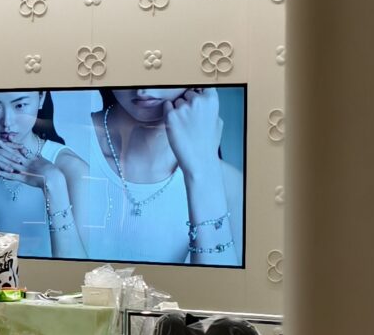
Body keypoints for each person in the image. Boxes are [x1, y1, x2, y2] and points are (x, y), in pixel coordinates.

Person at [59, 86, 241, 266]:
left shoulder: (229, 183)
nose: (143, 88)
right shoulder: (62, 147)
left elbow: (221, 283)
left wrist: (201, 172)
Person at [0, 91, 88, 257]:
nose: (7, 122)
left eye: (20, 105)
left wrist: (54, 181)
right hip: (2, 273)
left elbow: (79, 267)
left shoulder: (72, 167)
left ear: (41, 99)